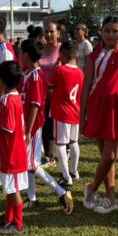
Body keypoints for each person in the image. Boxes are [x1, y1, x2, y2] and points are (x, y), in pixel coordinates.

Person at [79, 15, 118, 215]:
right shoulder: (93, 55)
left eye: (116, 31)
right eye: (107, 30)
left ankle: (92, 188)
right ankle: (111, 199)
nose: (111, 35)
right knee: (105, 155)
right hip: (98, 106)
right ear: (101, 32)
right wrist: (82, 115)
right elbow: (86, 86)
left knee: (110, 156)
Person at [19, 39, 73, 214]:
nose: (19, 57)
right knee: (29, 164)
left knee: (32, 165)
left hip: (33, 127)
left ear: (26, 55)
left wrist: (28, 129)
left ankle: (61, 191)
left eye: (20, 53)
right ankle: (32, 197)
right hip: (26, 125)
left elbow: (35, 104)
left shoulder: (36, 75)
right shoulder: (26, 74)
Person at [0, 61, 28, 236]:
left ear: (0, 80)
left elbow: (8, 128)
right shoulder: (9, 98)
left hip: (13, 152)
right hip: (9, 150)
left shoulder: (10, 101)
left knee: (13, 188)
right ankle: (8, 218)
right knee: (10, 187)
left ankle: (18, 224)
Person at [48, 40, 84, 188]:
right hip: (75, 111)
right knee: (74, 142)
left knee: (61, 144)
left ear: (62, 55)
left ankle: (66, 176)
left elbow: (49, 85)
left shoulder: (60, 70)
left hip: (62, 112)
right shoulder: (80, 72)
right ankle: (74, 171)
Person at [39, 21, 62, 164]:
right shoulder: (39, 49)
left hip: (58, 94)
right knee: (45, 124)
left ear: (58, 33)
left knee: (58, 126)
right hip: (41, 93)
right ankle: (48, 155)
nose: (48, 34)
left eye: (51, 31)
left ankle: (63, 154)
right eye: (46, 31)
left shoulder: (62, 49)